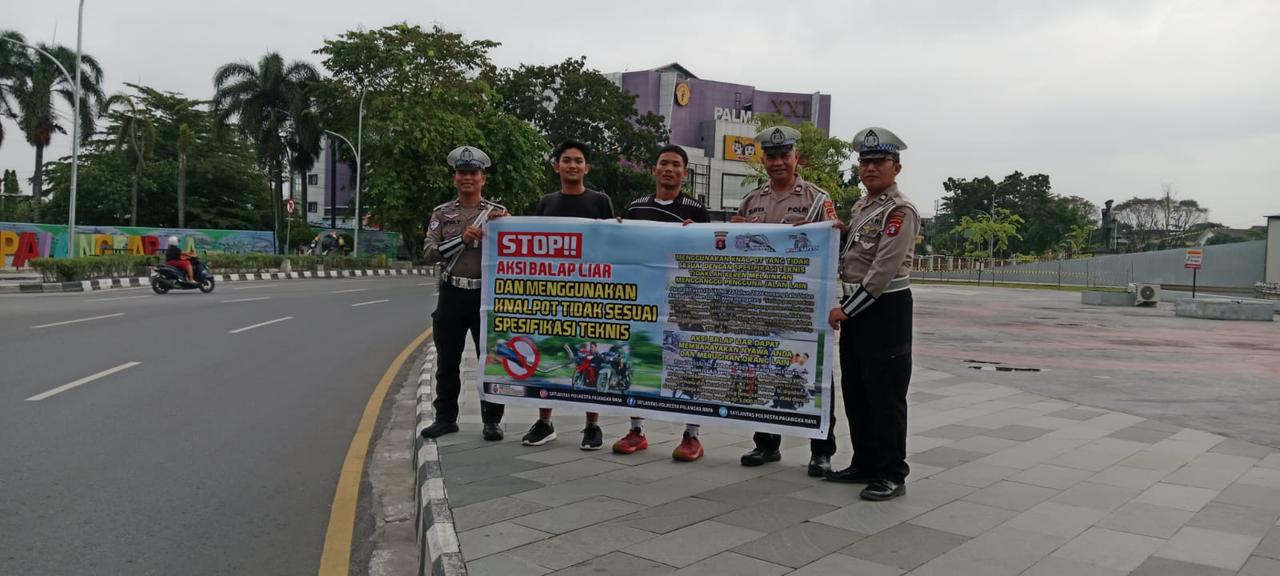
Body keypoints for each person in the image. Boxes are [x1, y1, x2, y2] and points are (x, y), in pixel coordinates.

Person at [731, 125, 839, 477]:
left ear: (797, 158)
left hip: (805, 304)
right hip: (762, 303)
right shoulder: (752, 201)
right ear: (763, 159)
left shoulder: (817, 200)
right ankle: (766, 442)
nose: (778, 162)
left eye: (784, 156)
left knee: (815, 372)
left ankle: (821, 450)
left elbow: (836, 239)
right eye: (772, 156)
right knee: (763, 368)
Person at [823, 127, 919, 501]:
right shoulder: (864, 207)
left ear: (896, 167)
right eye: (864, 161)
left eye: (878, 161)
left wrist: (845, 310)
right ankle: (864, 462)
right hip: (859, 313)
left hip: (885, 311)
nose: (869, 168)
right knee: (857, 389)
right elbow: (857, 251)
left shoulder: (900, 211)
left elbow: (881, 272)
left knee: (886, 395)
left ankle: (892, 472)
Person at [611, 144, 712, 462]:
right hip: (644, 299)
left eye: (676, 165)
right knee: (636, 360)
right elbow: (625, 251)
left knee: (687, 363)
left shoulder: (696, 210)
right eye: (664, 163)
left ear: (684, 172)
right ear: (654, 170)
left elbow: (709, 254)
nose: (669, 169)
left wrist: (697, 236)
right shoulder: (637, 207)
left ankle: (692, 435)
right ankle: (636, 430)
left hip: (684, 300)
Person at [521, 140, 615, 450]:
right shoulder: (546, 203)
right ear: (556, 166)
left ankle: (592, 426)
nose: (572, 165)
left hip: (591, 292)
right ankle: (545, 422)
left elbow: (614, 241)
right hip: (554, 293)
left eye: (578, 161)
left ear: (587, 167)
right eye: (566, 160)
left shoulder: (601, 201)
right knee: (551, 353)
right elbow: (535, 244)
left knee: (590, 355)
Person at [420, 145, 507, 442]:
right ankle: (445, 418)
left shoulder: (497, 214)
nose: (467, 178)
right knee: (447, 361)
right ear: (455, 178)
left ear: (483, 178)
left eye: (473, 173)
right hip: (452, 292)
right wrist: (461, 238)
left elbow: (513, 252)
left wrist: (503, 229)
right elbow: (429, 251)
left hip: (485, 297)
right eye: (462, 173)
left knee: (490, 361)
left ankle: (492, 420)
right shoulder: (442, 214)